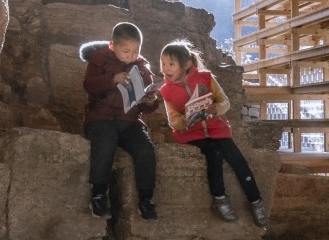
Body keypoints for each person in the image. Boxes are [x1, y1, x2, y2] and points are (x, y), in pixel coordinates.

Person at [158, 39, 268, 227]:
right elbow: (173, 120)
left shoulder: (206, 78)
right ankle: (220, 199)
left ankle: (256, 202)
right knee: (214, 155)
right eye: (163, 63)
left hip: (218, 130)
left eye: (171, 64)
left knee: (237, 160)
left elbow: (225, 102)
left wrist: (215, 108)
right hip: (193, 134)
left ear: (186, 64)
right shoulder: (166, 91)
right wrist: (183, 121)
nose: (166, 68)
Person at [79, 22, 161, 221]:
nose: (131, 56)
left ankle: (146, 199)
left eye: (136, 51)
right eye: (126, 51)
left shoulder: (142, 68)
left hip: (130, 121)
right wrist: (112, 79)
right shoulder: (98, 60)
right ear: (112, 46)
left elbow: (147, 108)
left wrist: (150, 101)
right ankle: (99, 194)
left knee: (145, 149)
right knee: (105, 142)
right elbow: (89, 85)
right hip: (101, 118)